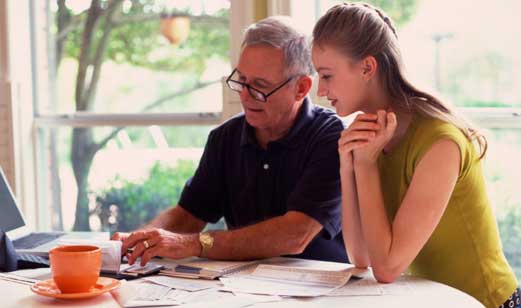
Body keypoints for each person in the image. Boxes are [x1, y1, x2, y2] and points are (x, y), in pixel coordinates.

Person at [311, 3, 518, 308]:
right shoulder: (373, 134)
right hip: (433, 301)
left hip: (487, 303)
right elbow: (361, 257)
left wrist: (365, 164)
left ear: (367, 68)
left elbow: (387, 268)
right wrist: (348, 164)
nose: (320, 90)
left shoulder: (440, 143)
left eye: (326, 75)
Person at [112, 16, 348, 267]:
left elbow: (295, 235)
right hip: (238, 288)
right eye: (242, 80)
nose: (244, 96)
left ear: (301, 88)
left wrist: (194, 244)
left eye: (260, 86)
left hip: (321, 290)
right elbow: (189, 214)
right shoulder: (225, 137)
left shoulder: (331, 137)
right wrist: (142, 239)